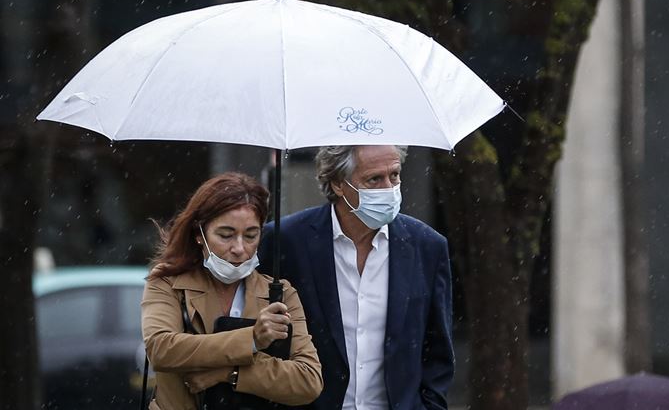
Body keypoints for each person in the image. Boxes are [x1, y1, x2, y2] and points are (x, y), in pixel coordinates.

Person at [259, 145, 454, 410]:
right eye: (374, 179)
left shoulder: (427, 246)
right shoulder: (287, 240)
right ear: (338, 184)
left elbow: (438, 350)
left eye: (394, 175)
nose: (388, 188)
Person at [141, 172, 323, 409]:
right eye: (225, 235)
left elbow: (308, 381)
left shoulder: (281, 293)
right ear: (199, 234)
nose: (239, 248)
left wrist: (231, 372)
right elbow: (161, 348)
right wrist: (252, 339)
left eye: (250, 235)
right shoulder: (167, 281)